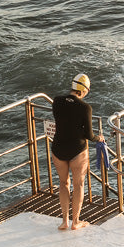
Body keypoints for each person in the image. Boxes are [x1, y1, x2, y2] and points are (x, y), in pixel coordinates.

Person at [50, 73, 103, 231]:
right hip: (77, 150)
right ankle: (75, 222)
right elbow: (89, 135)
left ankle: (64, 221)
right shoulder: (85, 108)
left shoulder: (57, 101)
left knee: (63, 183)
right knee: (78, 185)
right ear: (84, 90)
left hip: (58, 148)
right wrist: (99, 138)